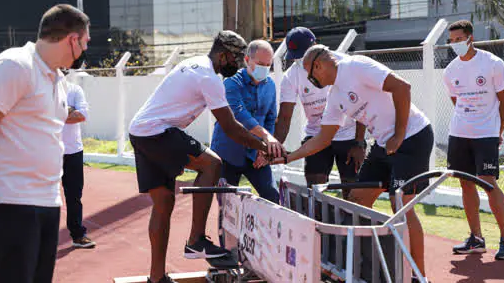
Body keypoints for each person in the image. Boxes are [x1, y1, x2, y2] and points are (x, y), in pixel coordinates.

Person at [128, 31, 285, 283]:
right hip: (157, 132)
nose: (237, 66)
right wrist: (264, 147)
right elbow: (231, 127)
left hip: (140, 131)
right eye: (235, 60)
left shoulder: (193, 64)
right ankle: (196, 240)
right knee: (212, 164)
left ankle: (156, 278)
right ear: (223, 56)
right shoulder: (208, 77)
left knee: (164, 202)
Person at [275, 44, 434, 282]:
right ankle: (363, 267)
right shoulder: (335, 95)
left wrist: (399, 134)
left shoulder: (357, 66)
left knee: (400, 205)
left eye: (310, 75)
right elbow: (323, 138)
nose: (311, 81)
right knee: (356, 202)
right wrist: (288, 157)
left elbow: (402, 87)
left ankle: (418, 276)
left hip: (412, 137)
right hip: (383, 144)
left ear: (318, 65)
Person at [0, 4, 90, 283]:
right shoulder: (16, 65)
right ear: (72, 39)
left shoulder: (57, 79)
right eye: (85, 42)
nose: (86, 49)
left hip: (46, 200)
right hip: (10, 200)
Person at [443, 20, 504, 260]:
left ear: (470, 38)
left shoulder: (493, 63)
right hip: (459, 133)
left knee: (488, 182)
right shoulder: (450, 70)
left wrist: (496, 131)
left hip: (486, 134)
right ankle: (476, 239)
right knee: (465, 183)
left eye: (458, 40)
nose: (455, 45)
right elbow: (457, 102)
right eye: (451, 41)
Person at [274, 27, 365, 196]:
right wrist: (274, 148)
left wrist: (359, 142)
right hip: (317, 134)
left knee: (353, 193)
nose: (301, 61)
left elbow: (361, 104)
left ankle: (352, 222)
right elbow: (285, 117)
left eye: (304, 55)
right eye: (296, 57)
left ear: (315, 46)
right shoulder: (291, 76)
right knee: (314, 191)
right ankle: (316, 221)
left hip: (348, 134)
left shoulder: (342, 64)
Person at [211, 40, 281, 203]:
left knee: (272, 197)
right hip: (228, 153)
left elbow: (270, 118)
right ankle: (223, 230)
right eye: (260, 63)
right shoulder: (232, 81)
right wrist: (265, 138)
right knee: (227, 204)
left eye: (268, 64)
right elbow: (238, 114)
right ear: (247, 60)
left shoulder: (270, 85)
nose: (265, 68)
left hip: (256, 155)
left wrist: (265, 150)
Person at [61, 74, 96, 248]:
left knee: (74, 195)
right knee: (41, 196)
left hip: (73, 151)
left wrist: (55, 112)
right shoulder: (41, 90)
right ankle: (37, 237)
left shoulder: (74, 89)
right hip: (47, 150)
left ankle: (78, 235)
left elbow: (82, 115)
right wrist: (67, 110)